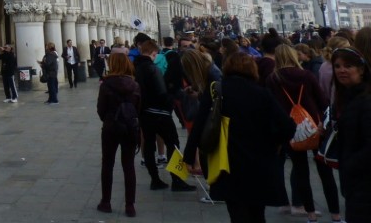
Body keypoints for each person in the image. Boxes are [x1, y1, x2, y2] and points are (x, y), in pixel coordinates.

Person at [185, 52, 295, 222]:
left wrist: (189, 155)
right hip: (259, 161)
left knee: (237, 212)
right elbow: (288, 126)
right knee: (258, 213)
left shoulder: (217, 90)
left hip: (228, 161)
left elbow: (200, 124)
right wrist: (275, 142)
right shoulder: (262, 94)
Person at [267, 44, 333, 223]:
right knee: (324, 169)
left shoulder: (273, 79)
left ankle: (309, 213)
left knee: (300, 170)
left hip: (288, 127)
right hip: (313, 125)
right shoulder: (306, 75)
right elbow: (323, 101)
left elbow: (270, 106)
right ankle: (336, 215)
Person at [134, 38, 191, 192]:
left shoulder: (136, 68)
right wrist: (174, 98)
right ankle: (177, 179)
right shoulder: (153, 69)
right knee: (173, 143)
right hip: (159, 113)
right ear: (154, 53)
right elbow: (161, 92)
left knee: (149, 146)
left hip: (145, 113)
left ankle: (155, 179)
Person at [96, 52, 141, 217]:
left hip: (111, 127)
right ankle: (130, 206)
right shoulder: (134, 85)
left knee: (107, 164)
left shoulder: (106, 85)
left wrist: (108, 118)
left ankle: (106, 202)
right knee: (128, 165)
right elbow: (138, 108)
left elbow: (101, 109)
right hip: (130, 127)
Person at [332, 46, 371, 223]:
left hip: (364, 181)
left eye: (348, 66)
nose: (342, 70)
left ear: (361, 70)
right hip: (355, 182)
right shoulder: (347, 97)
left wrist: (350, 164)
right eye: (338, 66)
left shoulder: (365, 100)